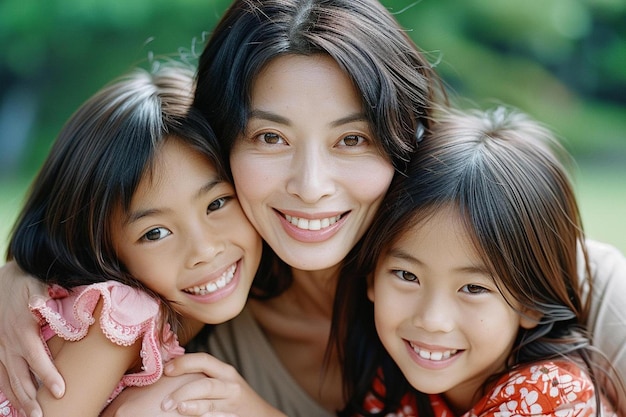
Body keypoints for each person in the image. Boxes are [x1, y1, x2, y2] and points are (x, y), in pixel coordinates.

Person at [1, 1, 625, 416]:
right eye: (270, 138)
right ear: (222, 146)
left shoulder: (564, 280)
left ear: (404, 137)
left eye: (352, 139)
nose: (311, 185)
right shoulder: (196, 293)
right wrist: (20, 275)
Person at [0, 61, 265, 417]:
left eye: (216, 203)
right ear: (101, 247)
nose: (204, 250)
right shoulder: (116, 317)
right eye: (155, 233)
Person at [334, 106, 624, 416]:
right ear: (371, 277)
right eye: (407, 275)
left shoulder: (548, 395)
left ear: (530, 303)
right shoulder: (389, 383)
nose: (432, 319)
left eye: (473, 288)